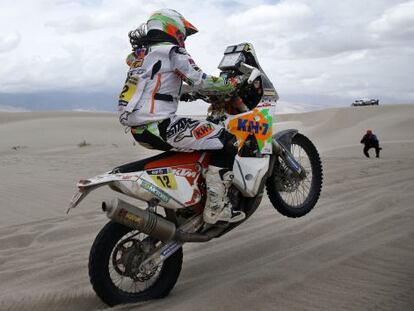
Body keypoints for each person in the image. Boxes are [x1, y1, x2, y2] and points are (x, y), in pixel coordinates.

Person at [117, 9, 245, 224]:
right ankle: (217, 208)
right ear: (172, 27)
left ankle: (193, 198)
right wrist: (231, 84)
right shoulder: (173, 52)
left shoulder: (140, 56)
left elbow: (155, 85)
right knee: (226, 140)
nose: (183, 38)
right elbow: (201, 80)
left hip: (139, 129)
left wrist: (184, 93)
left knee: (202, 143)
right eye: (182, 33)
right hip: (159, 125)